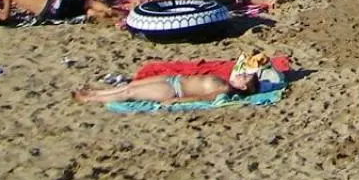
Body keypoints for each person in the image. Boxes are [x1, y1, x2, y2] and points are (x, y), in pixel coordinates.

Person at [73, 62, 266, 105]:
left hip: (174, 89)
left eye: (244, 77)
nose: (241, 74)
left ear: (243, 87)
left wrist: (177, 101)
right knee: (129, 86)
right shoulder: (225, 81)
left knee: (130, 93)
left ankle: (90, 99)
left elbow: (203, 98)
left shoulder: (224, 88)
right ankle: (96, 93)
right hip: (172, 80)